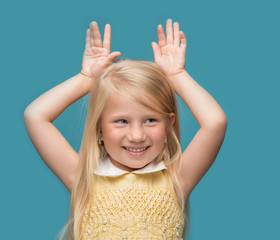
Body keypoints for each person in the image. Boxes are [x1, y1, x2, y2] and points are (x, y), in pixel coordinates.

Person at [24, 19, 227, 239]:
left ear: (169, 125)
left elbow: (215, 122)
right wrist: (86, 79)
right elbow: (35, 115)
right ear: (99, 128)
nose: (137, 136)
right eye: (122, 121)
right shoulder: (83, 178)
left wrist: (177, 76)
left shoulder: (177, 179)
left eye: (150, 120)